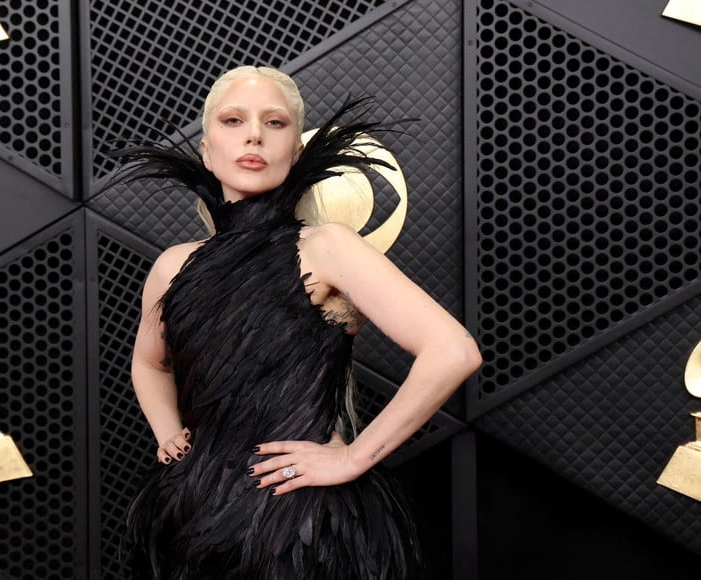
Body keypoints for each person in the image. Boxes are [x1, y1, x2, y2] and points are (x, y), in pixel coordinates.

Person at [116, 65, 482, 579]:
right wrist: (169, 435)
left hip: (300, 525)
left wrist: (354, 458)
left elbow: (453, 350)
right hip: (191, 514)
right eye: (233, 120)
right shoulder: (172, 266)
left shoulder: (329, 247)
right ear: (206, 149)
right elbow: (148, 363)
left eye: (275, 123)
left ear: (297, 149)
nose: (253, 135)